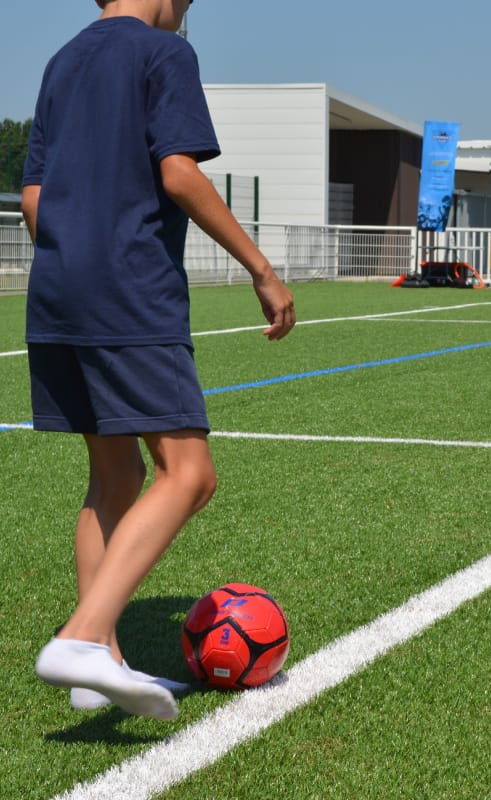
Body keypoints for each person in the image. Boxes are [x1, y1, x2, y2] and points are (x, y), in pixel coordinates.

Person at [21, 0, 296, 720]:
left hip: (56, 292)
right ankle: (82, 639)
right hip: (130, 290)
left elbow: (33, 198)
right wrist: (262, 269)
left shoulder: (62, 62)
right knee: (190, 475)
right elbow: (178, 174)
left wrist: (77, 260)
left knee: (114, 476)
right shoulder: (163, 52)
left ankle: (99, 667)